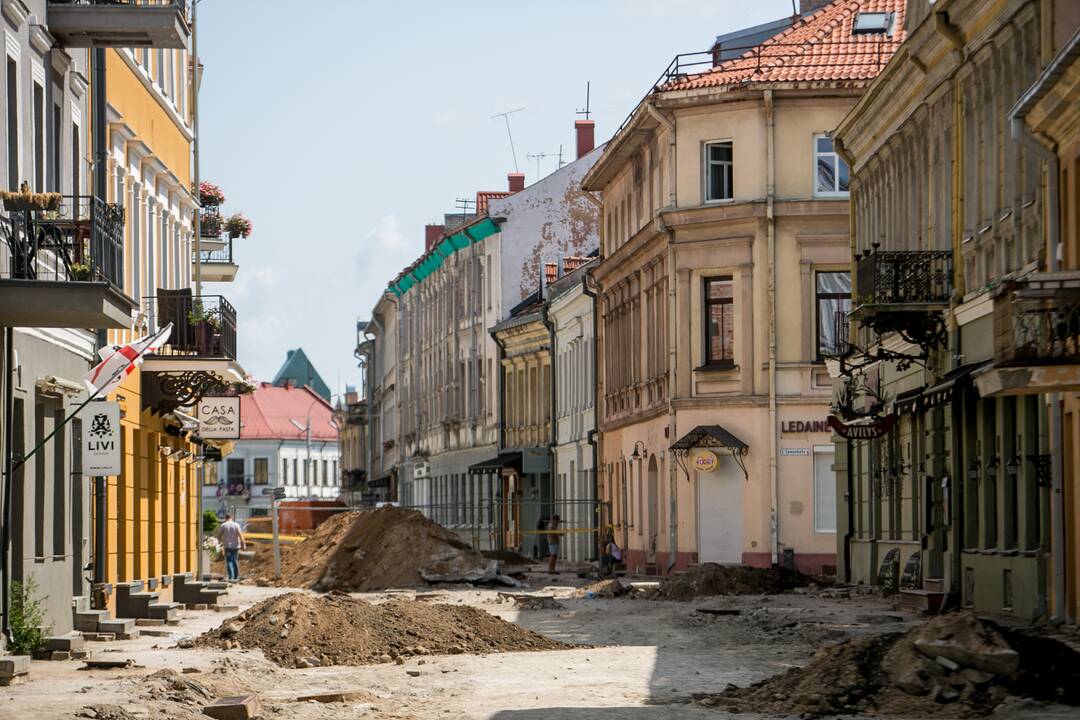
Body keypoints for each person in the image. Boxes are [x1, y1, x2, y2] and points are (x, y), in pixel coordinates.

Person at [217, 513, 245, 582]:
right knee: (235, 560)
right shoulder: (236, 525)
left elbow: (219, 536)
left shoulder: (223, 525)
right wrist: (243, 544)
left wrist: (219, 543)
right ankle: (236, 576)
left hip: (227, 546)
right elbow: (240, 535)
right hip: (235, 546)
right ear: (231, 517)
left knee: (229, 561)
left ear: (225, 518)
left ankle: (231, 576)